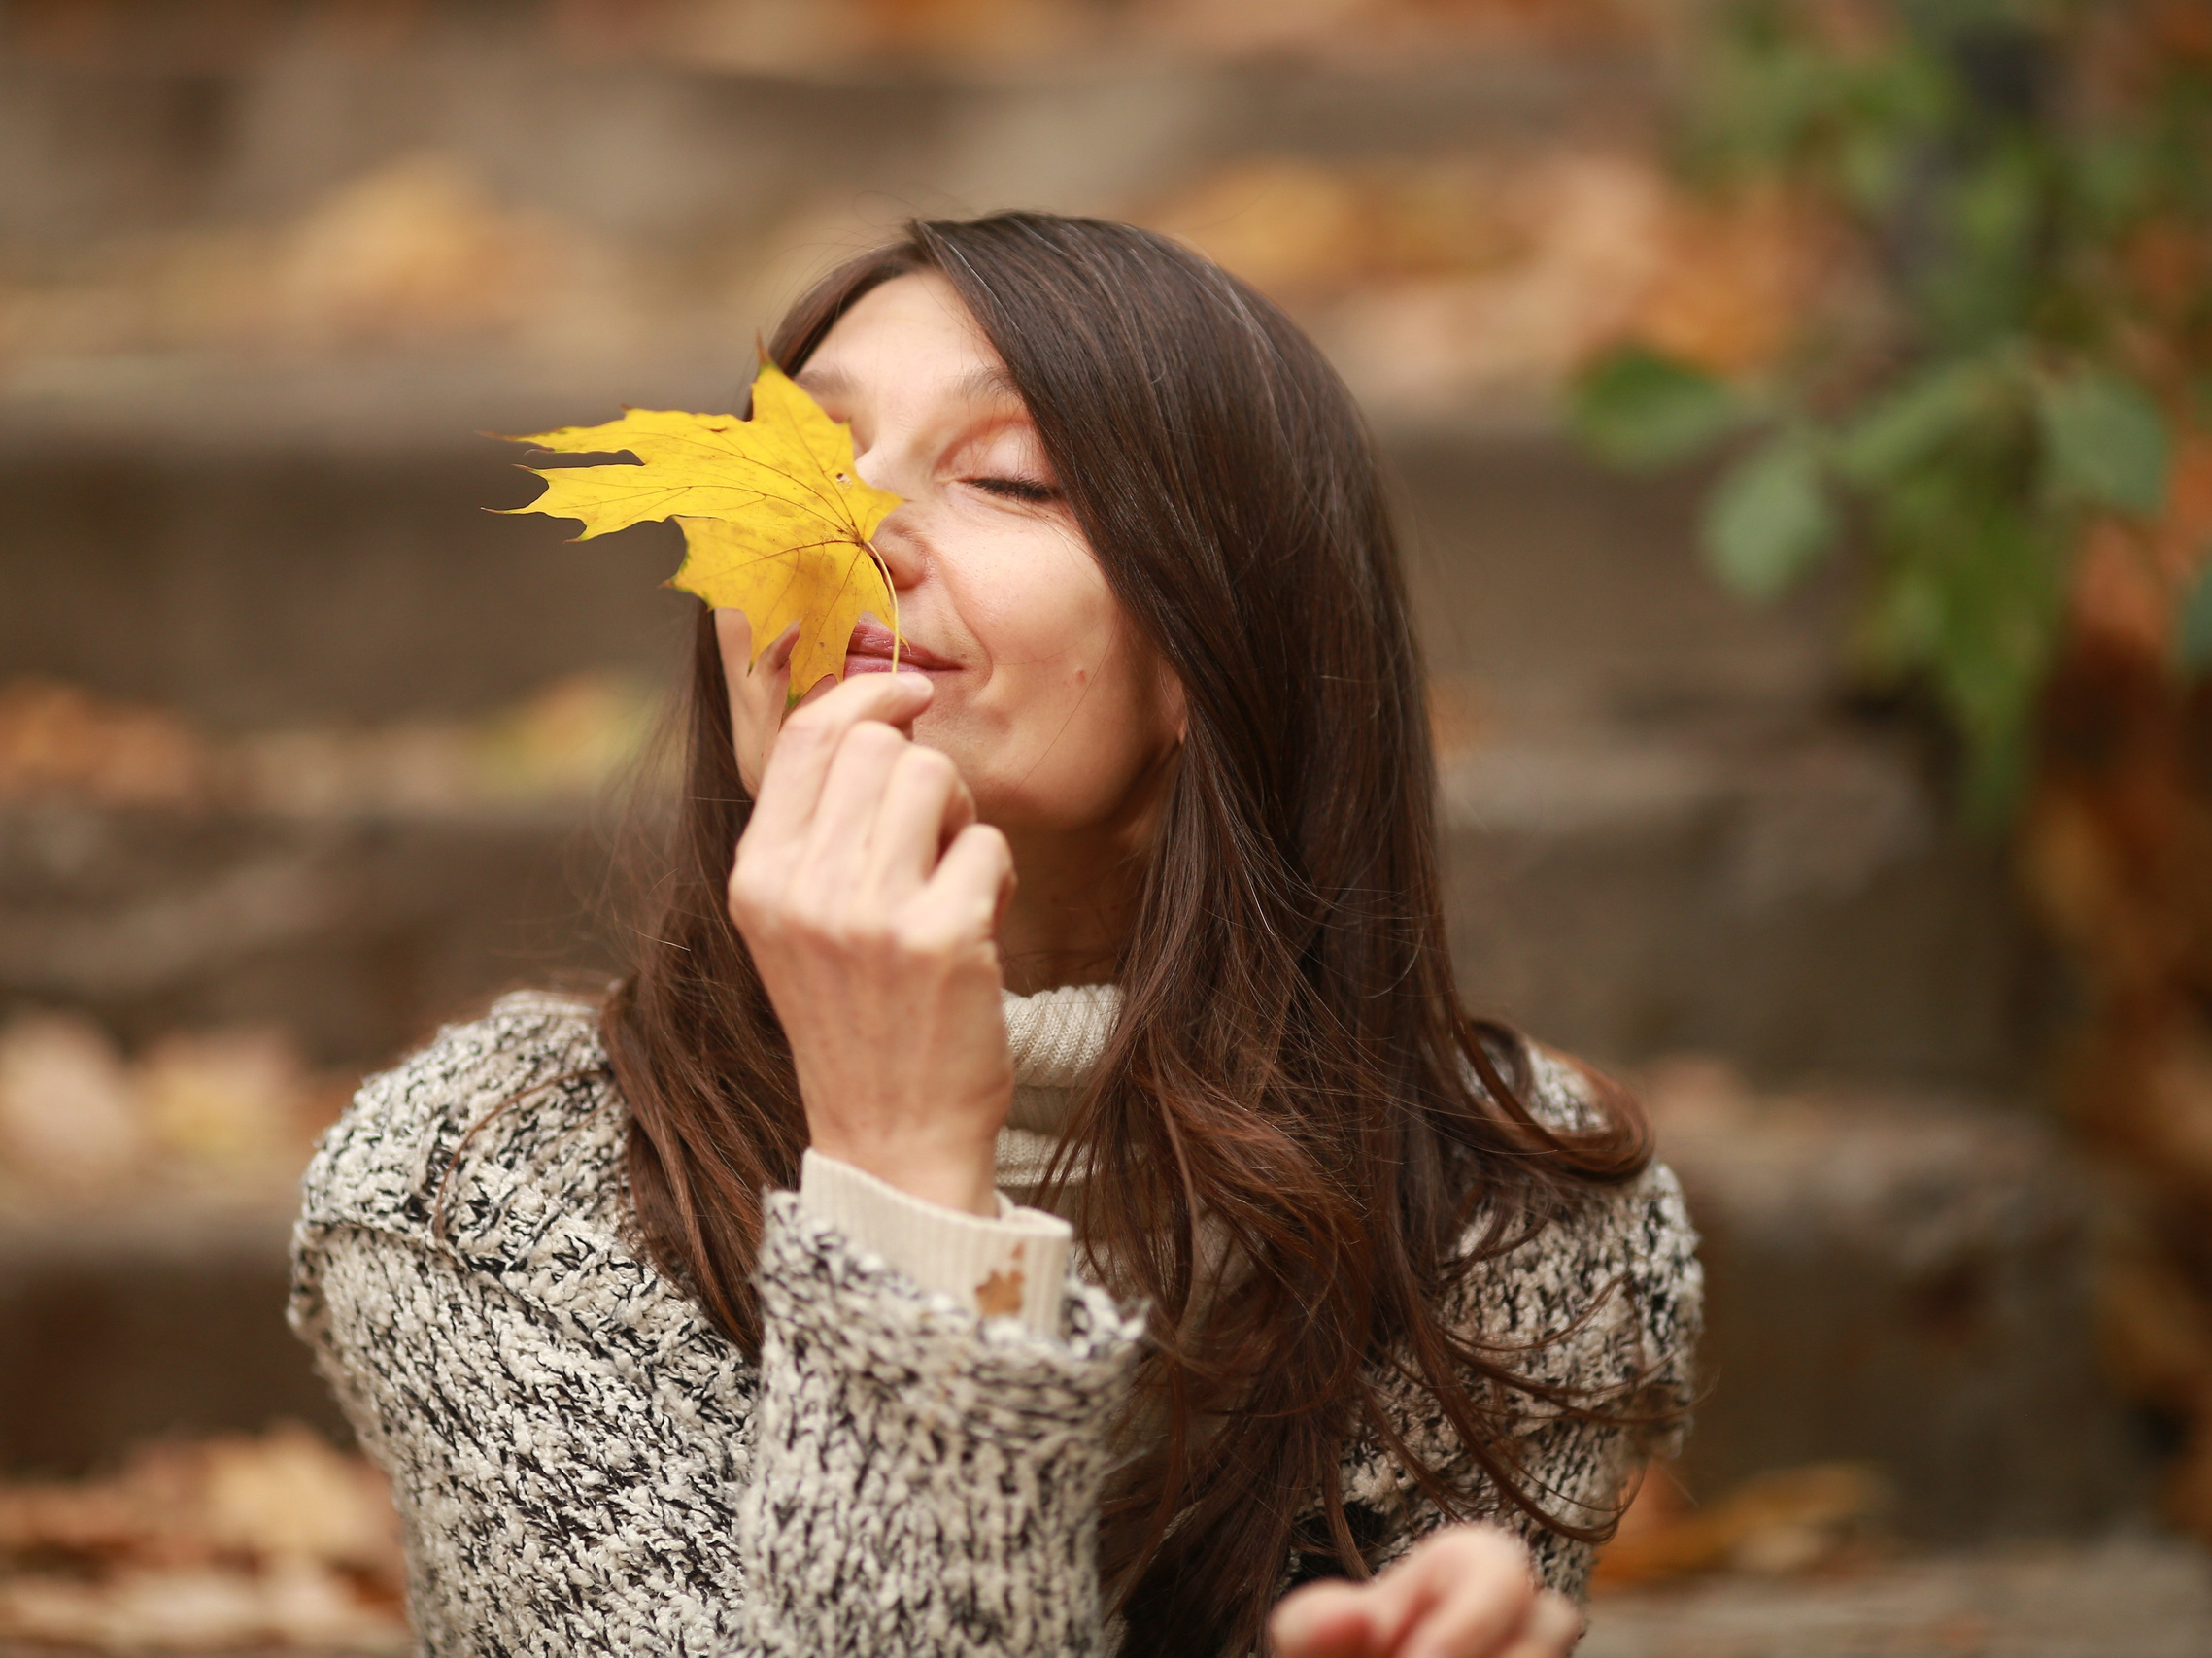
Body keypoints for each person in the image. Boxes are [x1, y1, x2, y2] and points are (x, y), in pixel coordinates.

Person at [289, 212, 1700, 1658]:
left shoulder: (1515, 1215)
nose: (848, 528)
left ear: (1222, 654)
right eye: (800, 465)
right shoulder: (482, 1185)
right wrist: (905, 1192)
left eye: (1011, 479)